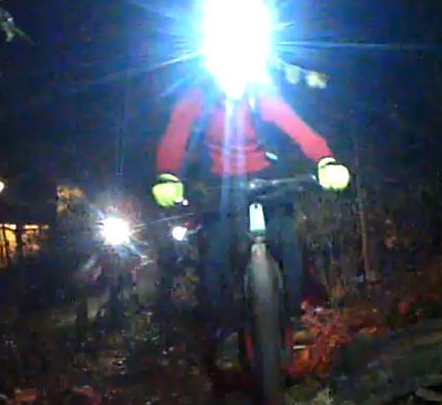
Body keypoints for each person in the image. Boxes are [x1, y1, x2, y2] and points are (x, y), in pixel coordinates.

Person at [150, 81, 350, 368]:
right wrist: (168, 176)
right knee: (215, 254)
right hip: (220, 184)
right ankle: (226, 332)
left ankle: (294, 319)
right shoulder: (198, 97)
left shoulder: (260, 96)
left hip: (266, 179)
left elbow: (297, 127)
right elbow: (175, 136)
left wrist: (325, 160)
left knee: (288, 241)